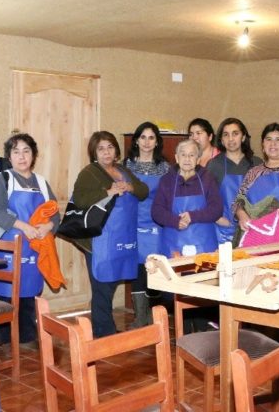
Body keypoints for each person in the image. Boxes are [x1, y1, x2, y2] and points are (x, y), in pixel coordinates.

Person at [71, 131, 148, 337]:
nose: (106, 152)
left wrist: (129, 186)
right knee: (102, 286)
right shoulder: (89, 172)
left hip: (120, 238)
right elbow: (80, 200)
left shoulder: (123, 170)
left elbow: (143, 192)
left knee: (111, 283)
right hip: (98, 240)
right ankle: (104, 333)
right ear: (94, 152)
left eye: (110, 147)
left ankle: (105, 328)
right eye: (101, 148)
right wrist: (108, 191)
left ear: (116, 150)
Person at [0, 133, 60, 344]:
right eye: (16, 152)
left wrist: (48, 226)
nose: (21, 156)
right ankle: (5, 340)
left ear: (33, 155)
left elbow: (55, 213)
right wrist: (24, 227)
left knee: (30, 291)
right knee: (6, 292)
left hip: (34, 247)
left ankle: (27, 338)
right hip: (8, 247)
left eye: (26, 151)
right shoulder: (2, 179)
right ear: (9, 157)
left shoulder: (42, 182)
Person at [123, 122, 169, 328]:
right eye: (143, 137)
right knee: (137, 270)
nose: (147, 142)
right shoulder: (127, 166)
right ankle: (140, 318)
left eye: (151, 137)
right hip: (133, 223)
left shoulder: (165, 167)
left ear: (157, 142)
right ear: (136, 141)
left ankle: (154, 318)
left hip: (157, 225)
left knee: (154, 268)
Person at [152, 139, 222, 257]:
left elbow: (217, 209)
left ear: (198, 159)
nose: (187, 159)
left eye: (192, 155)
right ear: (177, 158)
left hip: (204, 245)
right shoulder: (166, 180)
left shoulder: (208, 179)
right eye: (183, 155)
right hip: (173, 246)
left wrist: (192, 216)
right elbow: (156, 211)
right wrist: (175, 221)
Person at [206, 118, 262, 244]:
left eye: (235, 134)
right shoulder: (214, 165)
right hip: (224, 231)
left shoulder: (257, 163)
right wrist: (217, 218)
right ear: (221, 140)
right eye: (226, 135)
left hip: (252, 228)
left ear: (243, 137)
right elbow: (205, 198)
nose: (230, 139)